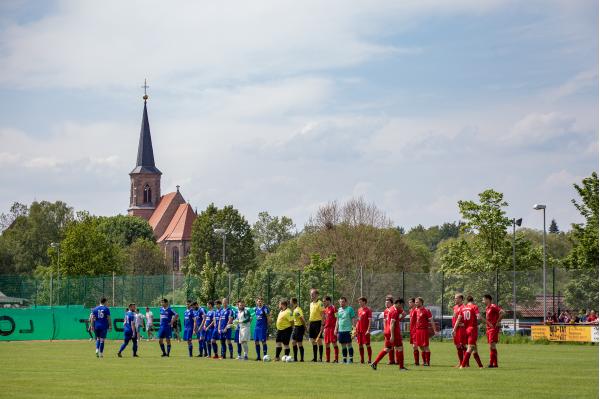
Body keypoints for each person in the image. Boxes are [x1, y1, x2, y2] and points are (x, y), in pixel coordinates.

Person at [371, 298, 407, 371]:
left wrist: (398, 319)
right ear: (398, 303)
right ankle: (401, 367)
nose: (401, 307)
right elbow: (392, 324)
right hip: (393, 332)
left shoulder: (390, 309)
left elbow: (403, 314)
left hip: (387, 331)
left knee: (387, 348)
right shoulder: (395, 311)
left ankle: (374, 363)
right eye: (401, 305)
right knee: (399, 348)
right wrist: (392, 336)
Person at [455, 295, 483, 368]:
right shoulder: (474, 307)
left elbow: (458, 319)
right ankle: (463, 365)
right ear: (473, 301)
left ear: (467, 301)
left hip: (466, 329)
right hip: (472, 329)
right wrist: (487, 323)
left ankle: (480, 366)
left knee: (474, 348)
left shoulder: (463, 308)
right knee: (470, 347)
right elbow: (479, 316)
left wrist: (454, 329)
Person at [483, 294, 504, 368]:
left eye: (484, 299)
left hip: (493, 329)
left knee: (492, 345)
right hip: (488, 328)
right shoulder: (487, 308)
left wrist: (498, 321)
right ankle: (495, 364)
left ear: (488, 299)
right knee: (492, 346)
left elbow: (502, 312)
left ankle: (491, 363)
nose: (483, 301)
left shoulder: (493, 306)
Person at [414, 297, 436, 366]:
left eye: (417, 302)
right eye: (415, 302)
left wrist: (435, 330)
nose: (415, 303)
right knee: (420, 346)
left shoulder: (426, 310)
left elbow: (431, 321)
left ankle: (428, 362)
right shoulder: (416, 310)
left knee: (425, 346)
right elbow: (414, 321)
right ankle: (424, 362)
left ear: (421, 302)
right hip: (417, 330)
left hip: (424, 330)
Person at [335, 296, 356, 364]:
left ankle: (351, 359)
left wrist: (353, 329)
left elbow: (353, 319)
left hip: (348, 330)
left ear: (346, 302)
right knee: (342, 345)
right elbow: (337, 320)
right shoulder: (338, 310)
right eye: (340, 302)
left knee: (349, 344)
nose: (341, 303)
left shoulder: (350, 309)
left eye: (343, 301)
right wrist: (336, 329)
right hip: (341, 330)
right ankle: (344, 359)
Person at [308, 288, 325, 362]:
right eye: (311, 294)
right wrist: (309, 324)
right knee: (313, 340)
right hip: (312, 323)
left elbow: (323, 315)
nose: (312, 295)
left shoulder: (320, 303)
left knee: (319, 341)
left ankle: (320, 358)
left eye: (313, 294)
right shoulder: (311, 304)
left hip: (318, 323)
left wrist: (322, 324)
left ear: (317, 295)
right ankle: (315, 358)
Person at [356, 297, 373, 364]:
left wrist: (368, 330)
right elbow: (358, 320)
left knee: (367, 344)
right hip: (359, 330)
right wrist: (356, 328)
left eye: (360, 302)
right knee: (360, 345)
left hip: (365, 331)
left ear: (364, 302)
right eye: (359, 302)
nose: (359, 303)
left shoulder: (368, 310)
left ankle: (369, 360)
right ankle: (362, 360)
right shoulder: (359, 310)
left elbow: (370, 321)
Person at [452, 294, 467, 367]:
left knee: (462, 345)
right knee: (457, 345)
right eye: (454, 298)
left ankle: (465, 363)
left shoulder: (464, 307)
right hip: (456, 329)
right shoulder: (455, 307)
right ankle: (461, 362)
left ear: (461, 299)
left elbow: (467, 319)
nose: (455, 299)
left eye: (456, 298)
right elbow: (455, 318)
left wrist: (464, 324)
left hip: (461, 329)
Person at [323, 296, 339, 363]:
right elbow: (325, 319)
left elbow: (337, 318)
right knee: (327, 343)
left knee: (334, 343)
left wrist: (336, 328)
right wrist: (324, 328)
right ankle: (328, 359)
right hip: (327, 328)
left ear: (328, 301)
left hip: (332, 328)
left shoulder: (334, 308)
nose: (324, 302)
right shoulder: (325, 309)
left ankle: (336, 359)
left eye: (324, 301)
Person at [290, 297, 307, 362]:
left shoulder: (297, 310)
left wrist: (305, 327)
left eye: (290, 301)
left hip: (299, 327)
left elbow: (302, 319)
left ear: (293, 302)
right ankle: (295, 358)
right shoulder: (294, 309)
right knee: (293, 342)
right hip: (296, 327)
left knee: (299, 343)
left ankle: (302, 359)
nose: (290, 302)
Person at [383, 294, 396, 365]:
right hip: (387, 331)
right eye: (386, 301)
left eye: (388, 301)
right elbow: (385, 321)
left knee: (395, 346)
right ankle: (391, 360)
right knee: (389, 346)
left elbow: (403, 313)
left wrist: (398, 319)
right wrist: (385, 329)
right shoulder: (385, 311)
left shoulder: (394, 309)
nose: (386, 303)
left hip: (393, 330)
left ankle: (396, 360)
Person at [408, 298, 419, 366]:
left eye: (410, 302)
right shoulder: (411, 310)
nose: (409, 304)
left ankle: (417, 362)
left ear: (414, 303)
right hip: (411, 331)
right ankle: (417, 361)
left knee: (415, 346)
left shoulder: (416, 310)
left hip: (415, 331)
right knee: (414, 346)